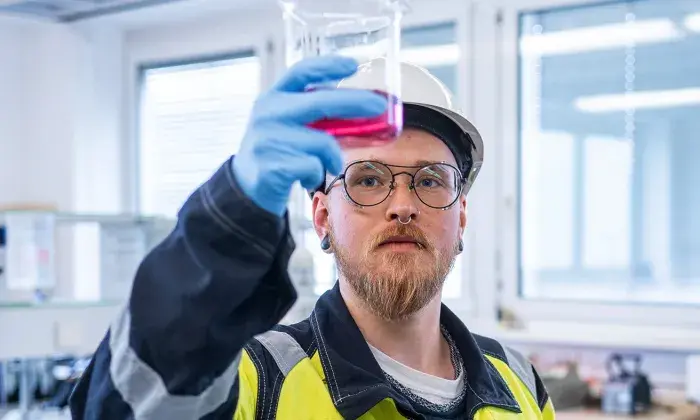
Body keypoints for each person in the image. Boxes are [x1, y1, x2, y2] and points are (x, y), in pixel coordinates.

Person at [69, 55, 555, 420]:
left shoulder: (521, 385)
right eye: (367, 179)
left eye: (429, 180)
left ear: (461, 218)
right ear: (322, 217)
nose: (402, 205)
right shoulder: (255, 381)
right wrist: (228, 218)